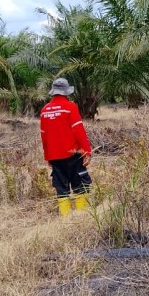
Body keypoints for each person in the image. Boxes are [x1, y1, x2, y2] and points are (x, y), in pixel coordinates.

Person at [40, 77, 93, 217]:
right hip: (73, 155)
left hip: (55, 157)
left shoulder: (45, 110)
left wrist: (48, 157)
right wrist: (87, 151)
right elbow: (79, 131)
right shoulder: (70, 107)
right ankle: (81, 218)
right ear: (66, 92)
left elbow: (44, 136)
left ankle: (66, 220)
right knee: (80, 185)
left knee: (61, 188)